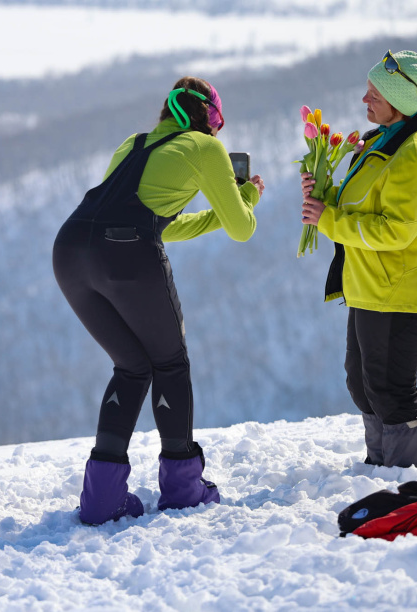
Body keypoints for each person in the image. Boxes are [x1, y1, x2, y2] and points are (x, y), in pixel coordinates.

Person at [53, 77, 265, 524]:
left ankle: (100, 499)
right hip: (127, 251)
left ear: (168, 112)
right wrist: (246, 197)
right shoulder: (205, 149)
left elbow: (162, 226)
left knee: (132, 366)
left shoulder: (134, 145)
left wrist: (216, 212)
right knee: (170, 362)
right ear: (210, 119)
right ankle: (183, 488)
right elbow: (241, 227)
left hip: (70, 250)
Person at [301, 50, 417, 469]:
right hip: (370, 285)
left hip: (401, 288)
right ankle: (382, 467)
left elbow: (395, 231)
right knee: (363, 386)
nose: (365, 101)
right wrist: (322, 197)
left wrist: (329, 221)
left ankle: (406, 474)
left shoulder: (414, 155)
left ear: (400, 101)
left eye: (374, 95)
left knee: (390, 390)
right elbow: (362, 207)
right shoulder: (378, 141)